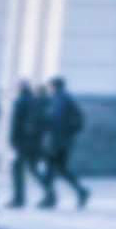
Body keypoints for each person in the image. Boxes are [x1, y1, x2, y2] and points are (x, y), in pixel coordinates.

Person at [37, 76, 89, 209]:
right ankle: (80, 191)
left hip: (58, 141)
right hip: (63, 140)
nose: (49, 89)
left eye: (51, 86)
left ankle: (51, 198)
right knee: (60, 169)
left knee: (51, 169)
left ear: (54, 86)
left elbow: (55, 120)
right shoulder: (65, 98)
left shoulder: (60, 100)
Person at [6, 80, 44, 209]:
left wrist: (12, 140)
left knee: (17, 169)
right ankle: (50, 191)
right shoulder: (35, 100)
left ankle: (19, 198)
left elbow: (15, 123)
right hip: (35, 141)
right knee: (33, 168)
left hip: (22, 141)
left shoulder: (20, 101)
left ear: (20, 88)